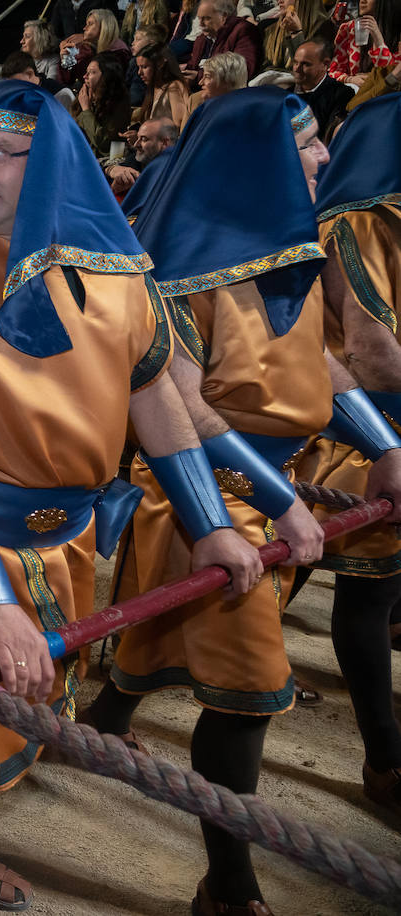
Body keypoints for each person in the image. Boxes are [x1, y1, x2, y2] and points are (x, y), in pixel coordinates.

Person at [0, 80, 260, 916]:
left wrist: (210, 524)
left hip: (69, 543)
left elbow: (159, 404)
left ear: (52, 160)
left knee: (0, 742)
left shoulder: (118, 274)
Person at [81, 87, 401, 915]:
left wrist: (387, 446)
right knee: (252, 692)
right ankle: (228, 885)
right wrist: (274, 497)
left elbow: (322, 375)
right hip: (200, 505)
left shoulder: (288, 250)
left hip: (276, 497)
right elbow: (187, 413)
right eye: (307, 143)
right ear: (257, 156)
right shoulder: (171, 275)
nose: (325, 158)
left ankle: (109, 705)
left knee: (161, 634)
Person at [290, 92, 401, 823]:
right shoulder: (358, 220)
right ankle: (385, 758)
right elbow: (370, 349)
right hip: (362, 436)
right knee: (366, 593)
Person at [185, 0, 264, 85]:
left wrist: (199, 76)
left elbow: (243, 71)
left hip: (228, 92)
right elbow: (192, 67)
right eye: (199, 18)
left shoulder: (244, 31)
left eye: (207, 18)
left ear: (223, 16)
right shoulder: (202, 39)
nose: (201, 24)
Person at [328, 0, 398, 83]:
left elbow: (393, 77)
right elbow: (332, 72)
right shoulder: (348, 28)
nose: (362, 1)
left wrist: (379, 41)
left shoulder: (397, 33)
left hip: (386, 92)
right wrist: (350, 79)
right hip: (356, 91)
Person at [294, 39, 355, 130]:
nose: (296, 69)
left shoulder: (341, 95)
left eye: (305, 64)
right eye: (295, 62)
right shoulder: (285, 93)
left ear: (326, 64)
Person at [105, 116, 177, 192]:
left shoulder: (178, 170)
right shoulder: (141, 158)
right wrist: (111, 170)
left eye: (143, 139)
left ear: (164, 143)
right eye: (137, 138)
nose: (136, 144)